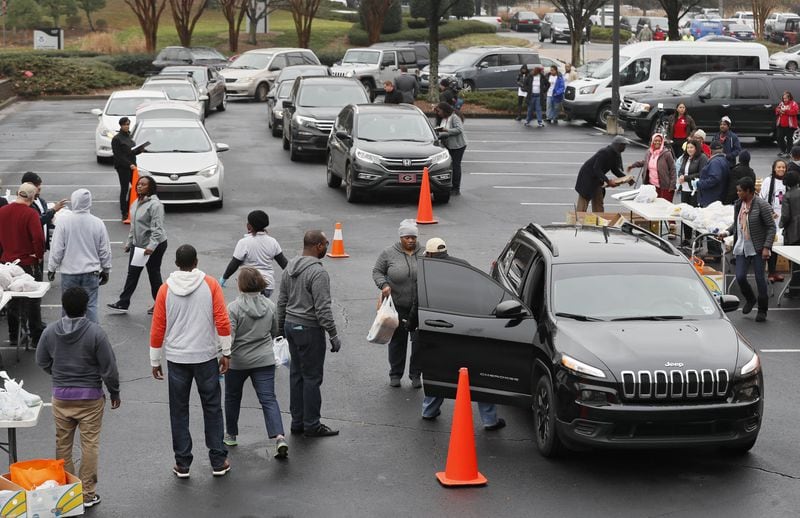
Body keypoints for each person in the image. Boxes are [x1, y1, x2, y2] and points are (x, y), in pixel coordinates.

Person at [150, 244, 233, 478]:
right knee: (212, 408)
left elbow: (158, 328)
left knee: (179, 410)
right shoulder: (210, 284)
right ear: (196, 261)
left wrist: (155, 359)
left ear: (177, 264)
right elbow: (222, 320)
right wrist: (225, 351)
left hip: (177, 358)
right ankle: (218, 459)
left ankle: (182, 463)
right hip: (205, 356)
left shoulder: (165, 290)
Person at [36, 287, 120, 509]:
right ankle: (87, 494)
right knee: (89, 444)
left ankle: (65, 492)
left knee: (63, 443)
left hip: (61, 397)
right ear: (86, 307)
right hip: (90, 397)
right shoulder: (95, 333)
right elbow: (109, 368)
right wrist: (114, 392)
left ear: (63, 306)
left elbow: (41, 360)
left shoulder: (51, 332)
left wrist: (57, 373)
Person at [417, 238, 505, 431]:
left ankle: (429, 410)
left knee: (439, 371)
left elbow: (419, 301)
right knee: (479, 374)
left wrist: (412, 324)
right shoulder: (463, 266)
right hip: (469, 327)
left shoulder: (428, 272)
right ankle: (489, 420)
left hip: (440, 329)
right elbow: (480, 293)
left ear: (430, 254)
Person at [277, 230, 342, 438]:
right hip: (308, 330)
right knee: (312, 377)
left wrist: (280, 328)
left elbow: (282, 301)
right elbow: (322, 308)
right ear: (318, 246)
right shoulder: (318, 273)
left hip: (290, 325)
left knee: (296, 375)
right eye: (326, 243)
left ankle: (297, 422)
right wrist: (332, 334)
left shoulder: (289, 267)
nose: (328, 247)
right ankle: (312, 425)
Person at [223, 267, 288, 459]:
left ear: (241, 285)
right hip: (264, 359)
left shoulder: (233, 308)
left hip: (238, 362)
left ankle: (231, 434)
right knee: (268, 399)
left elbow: (230, 337)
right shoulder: (270, 305)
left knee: (232, 397)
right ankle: (279, 436)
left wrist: (223, 355)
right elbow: (275, 331)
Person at [47, 189, 112, 324]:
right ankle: (93, 336)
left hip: (70, 273)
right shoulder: (97, 222)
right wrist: (106, 269)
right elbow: (104, 250)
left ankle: (68, 335)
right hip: (91, 272)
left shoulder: (64, 221)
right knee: (91, 306)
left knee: (68, 307)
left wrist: (52, 267)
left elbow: (57, 249)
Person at [372, 219, 424, 388]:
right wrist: (384, 285)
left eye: (413, 237)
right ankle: (395, 373)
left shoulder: (424, 252)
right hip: (398, 306)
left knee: (419, 343)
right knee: (397, 342)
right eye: (407, 237)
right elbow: (377, 271)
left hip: (419, 308)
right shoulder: (388, 253)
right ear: (401, 237)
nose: (411, 240)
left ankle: (416, 374)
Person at [107, 176, 167, 314]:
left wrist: (151, 247)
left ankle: (161, 305)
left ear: (150, 187)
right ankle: (123, 303)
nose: (139, 186)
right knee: (132, 274)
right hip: (138, 245)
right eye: (139, 184)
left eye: (143, 185)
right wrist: (130, 242)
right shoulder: (136, 202)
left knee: (154, 275)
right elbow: (134, 226)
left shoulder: (155, 205)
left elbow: (157, 229)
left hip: (155, 245)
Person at [718, 177, 775, 322]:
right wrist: (726, 232)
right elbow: (736, 223)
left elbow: (771, 227)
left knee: (759, 278)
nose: (737, 193)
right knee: (741, 276)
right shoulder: (739, 204)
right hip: (742, 246)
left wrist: (767, 247)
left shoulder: (762, 205)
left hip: (757, 247)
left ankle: (762, 310)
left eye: (740, 191)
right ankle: (750, 298)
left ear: (749, 191)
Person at [0, 183, 46, 347]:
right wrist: (38, 255)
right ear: (33, 197)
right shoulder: (30, 213)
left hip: (6, 263)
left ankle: (15, 334)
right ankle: (35, 336)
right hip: (27, 263)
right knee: (33, 300)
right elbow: (39, 238)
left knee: (12, 300)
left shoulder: (3, 211)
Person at [220, 210, 287, 297]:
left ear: (249, 226)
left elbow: (234, 263)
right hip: (268, 285)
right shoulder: (273, 242)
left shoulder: (244, 242)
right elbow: (284, 264)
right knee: (263, 308)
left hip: (248, 286)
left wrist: (224, 277)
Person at [574, 136, 629, 212]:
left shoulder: (615, 154)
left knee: (598, 201)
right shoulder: (604, 152)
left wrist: (626, 178)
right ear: (618, 145)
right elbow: (596, 168)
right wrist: (608, 181)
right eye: (623, 145)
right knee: (583, 202)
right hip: (587, 178)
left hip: (597, 179)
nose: (625, 147)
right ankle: (578, 221)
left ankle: (599, 221)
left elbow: (615, 170)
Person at [20, 171, 67, 249]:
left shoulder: (41, 201)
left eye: (39, 184)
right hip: (30, 248)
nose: (39, 187)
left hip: (42, 247)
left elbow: (45, 220)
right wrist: (53, 210)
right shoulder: (25, 204)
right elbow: (37, 221)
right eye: (36, 185)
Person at [111, 117, 144, 221]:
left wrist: (140, 150)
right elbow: (118, 155)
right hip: (123, 168)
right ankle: (124, 212)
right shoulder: (116, 139)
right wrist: (129, 164)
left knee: (137, 187)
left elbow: (131, 152)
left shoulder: (129, 137)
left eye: (128, 124)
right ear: (120, 125)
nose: (126, 126)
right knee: (124, 189)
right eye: (125, 124)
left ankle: (133, 208)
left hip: (133, 167)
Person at [760, 159, 787, 282]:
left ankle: (776, 271)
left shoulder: (788, 181)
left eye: (783, 167)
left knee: (781, 244)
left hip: (785, 217)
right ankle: (771, 272)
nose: (781, 169)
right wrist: (769, 212)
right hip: (771, 217)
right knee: (771, 244)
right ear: (774, 168)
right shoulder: (768, 181)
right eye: (779, 167)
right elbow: (761, 199)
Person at [627, 133, 676, 201]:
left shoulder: (667, 154)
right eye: (655, 140)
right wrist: (633, 165)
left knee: (665, 205)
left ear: (662, 142)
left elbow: (673, 169)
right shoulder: (649, 152)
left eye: (659, 141)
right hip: (652, 185)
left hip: (665, 186)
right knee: (653, 206)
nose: (657, 142)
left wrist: (672, 185)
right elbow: (645, 162)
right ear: (652, 141)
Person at [676, 140, 708, 243]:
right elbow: (681, 169)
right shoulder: (685, 157)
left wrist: (686, 178)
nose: (689, 149)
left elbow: (701, 174)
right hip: (685, 189)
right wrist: (681, 175)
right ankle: (687, 237)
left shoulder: (702, 158)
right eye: (688, 147)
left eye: (691, 147)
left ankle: (698, 239)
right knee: (686, 214)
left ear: (696, 148)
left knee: (695, 214)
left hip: (695, 190)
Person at [435, 102, 466, 195]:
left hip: (458, 146)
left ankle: (456, 188)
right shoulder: (443, 118)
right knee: (449, 166)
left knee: (456, 166)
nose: (438, 113)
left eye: (439, 111)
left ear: (445, 110)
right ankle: (449, 185)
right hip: (448, 145)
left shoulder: (454, 117)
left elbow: (459, 130)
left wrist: (446, 130)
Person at [779, 170, 800, 291]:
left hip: (794, 232)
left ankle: (794, 287)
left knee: (795, 260)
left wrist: (781, 225)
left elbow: (786, 216)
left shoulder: (788, 196)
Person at [696, 141, 730, 207]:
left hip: (711, 198)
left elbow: (714, 179)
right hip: (717, 196)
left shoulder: (715, 162)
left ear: (710, 150)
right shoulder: (723, 160)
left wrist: (699, 183)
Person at [775, 91, 799, 158]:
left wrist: (786, 111)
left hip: (790, 125)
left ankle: (789, 152)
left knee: (789, 139)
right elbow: (777, 109)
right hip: (781, 124)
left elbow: (795, 111)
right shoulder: (781, 103)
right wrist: (779, 110)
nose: (784, 100)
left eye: (786, 98)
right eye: (783, 98)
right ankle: (783, 150)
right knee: (779, 137)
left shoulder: (793, 104)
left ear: (789, 98)